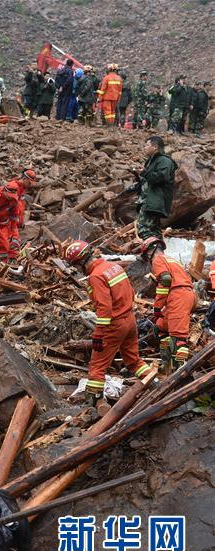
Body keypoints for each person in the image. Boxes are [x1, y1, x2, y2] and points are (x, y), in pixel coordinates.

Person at [62, 241, 151, 412]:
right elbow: (131, 292)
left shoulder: (96, 276)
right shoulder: (113, 267)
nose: (77, 269)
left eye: (76, 265)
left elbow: (104, 308)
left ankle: (93, 404)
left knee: (97, 366)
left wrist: (98, 333)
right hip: (130, 319)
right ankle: (154, 383)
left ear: (81, 262)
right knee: (133, 360)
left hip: (114, 325)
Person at [137, 237, 195, 371]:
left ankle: (180, 372)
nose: (147, 259)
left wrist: (158, 306)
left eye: (146, 255)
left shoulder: (158, 260)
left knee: (178, 335)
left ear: (150, 252)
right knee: (161, 327)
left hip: (178, 296)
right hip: (185, 294)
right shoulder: (171, 260)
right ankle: (166, 365)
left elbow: (166, 279)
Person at [135, 135, 177, 240]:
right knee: (154, 230)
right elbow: (147, 180)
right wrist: (139, 173)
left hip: (155, 201)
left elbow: (161, 177)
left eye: (147, 145)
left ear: (155, 147)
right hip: (148, 200)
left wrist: (144, 172)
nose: (144, 147)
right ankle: (159, 249)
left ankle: (151, 249)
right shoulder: (152, 160)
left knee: (143, 228)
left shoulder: (164, 161)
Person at [6, 169, 37, 258]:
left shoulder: (22, 189)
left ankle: (13, 257)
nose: (30, 185)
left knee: (15, 240)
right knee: (9, 239)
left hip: (14, 221)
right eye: (29, 183)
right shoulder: (13, 187)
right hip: (7, 220)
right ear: (25, 179)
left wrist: (21, 220)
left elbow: (21, 207)